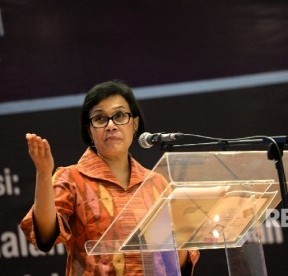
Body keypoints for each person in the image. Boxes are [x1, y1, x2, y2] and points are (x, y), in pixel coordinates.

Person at [20, 80, 199, 275]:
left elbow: (177, 264)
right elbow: (44, 236)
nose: (111, 125)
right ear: (90, 130)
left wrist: (182, 227)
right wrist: (44, 174)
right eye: (99, 118)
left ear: (135, 123)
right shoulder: (71, 178)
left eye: (120, 115)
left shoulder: (156, 183)